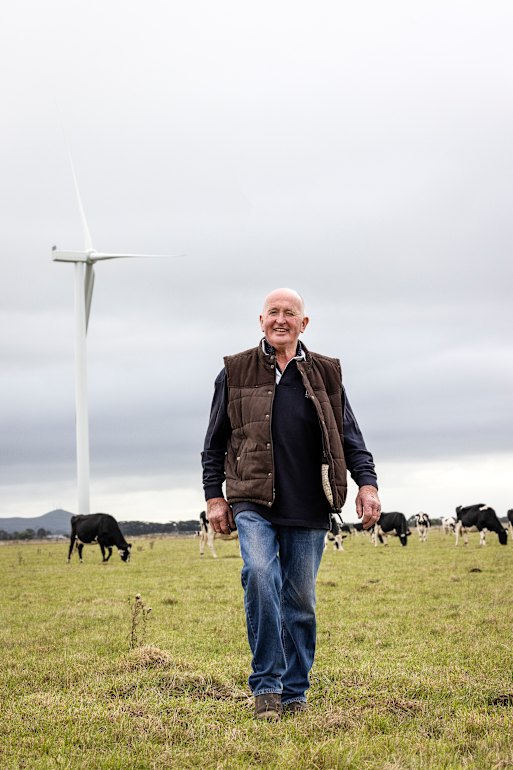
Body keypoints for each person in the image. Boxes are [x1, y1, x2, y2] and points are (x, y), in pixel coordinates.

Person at [201, 288, 380, 720]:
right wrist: (214, 497)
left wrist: (367, 484)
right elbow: (214, 444)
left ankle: (294, 692)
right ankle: (266, 686)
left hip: (309, 503)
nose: (281, 319)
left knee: (300, 601)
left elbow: (349, 436)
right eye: (273, 313)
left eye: (290, 313)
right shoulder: (234, 371)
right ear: (260, 320)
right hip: (251, 499)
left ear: (304, 324)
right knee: (260, 576)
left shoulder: (326, 374)